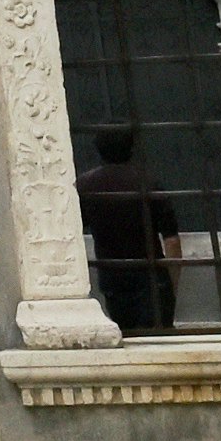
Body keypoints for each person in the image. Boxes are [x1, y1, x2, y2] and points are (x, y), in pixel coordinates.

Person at [76, 124, 180, 335]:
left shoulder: (85, 186)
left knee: (127, 339)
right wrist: (171, 284)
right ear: (132, 147)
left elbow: (72, 232)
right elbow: (172, 241)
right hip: (151, 275)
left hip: (112, 277)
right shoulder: (148, 183)